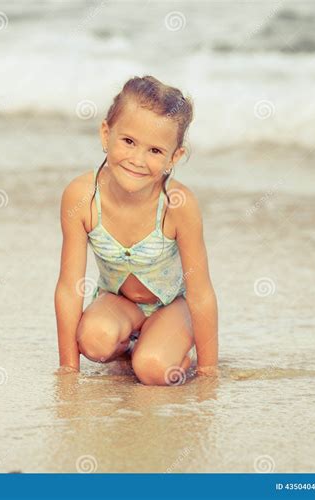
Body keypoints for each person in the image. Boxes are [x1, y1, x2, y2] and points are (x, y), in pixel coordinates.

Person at [55, 75, 218, 385]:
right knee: (93, 341)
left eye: (155, 151)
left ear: (175, 157)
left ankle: (169, 349)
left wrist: (209, 372)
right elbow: (68, 287)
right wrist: (68, 370)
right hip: (121, 303)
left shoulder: (177, 204)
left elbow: (201, 293)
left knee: (153, 369)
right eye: (128, 141)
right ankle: (134, 343)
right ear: (106, 134)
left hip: (173, 305)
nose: (137, 160)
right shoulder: (82, 197)